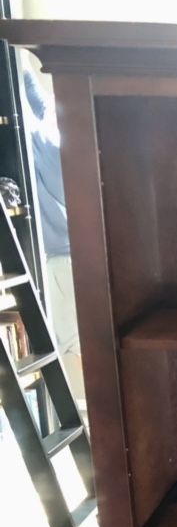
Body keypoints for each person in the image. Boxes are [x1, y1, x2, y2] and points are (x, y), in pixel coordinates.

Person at [22, 62, 85, 407]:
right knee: (69, 343)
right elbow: (35, 94)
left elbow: (34, 93)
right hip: (66, 255)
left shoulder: (45, 138)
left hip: (62, 258)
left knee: (67, 344)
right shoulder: (52, 131)